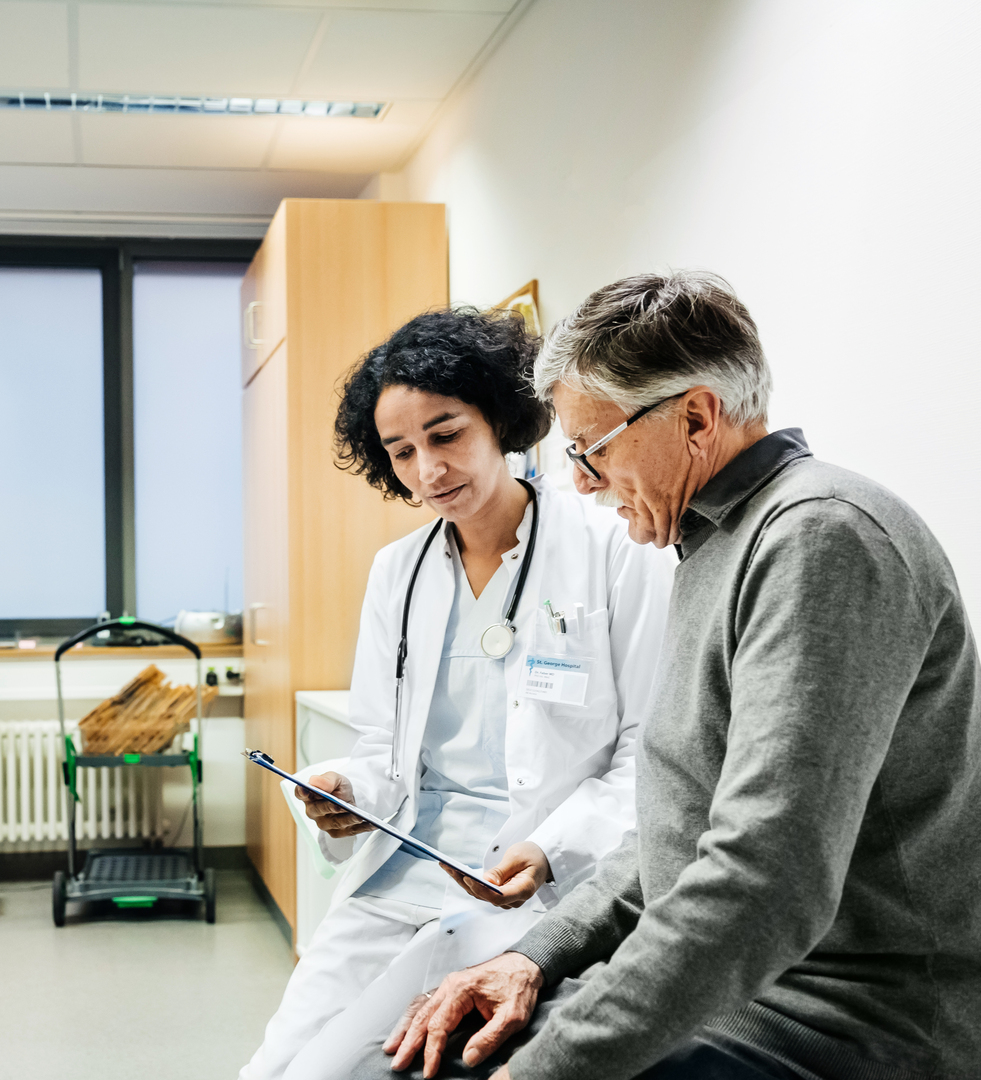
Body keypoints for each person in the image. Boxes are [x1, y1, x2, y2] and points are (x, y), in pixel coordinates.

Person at [368, 272, 981, 1080]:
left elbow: (764, 884)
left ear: (697, 417)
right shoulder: (714, 546)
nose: (581, 483)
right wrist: (538, 957)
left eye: (592, 450)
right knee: (402, 1058)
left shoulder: (822, 542)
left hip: (839, 1027)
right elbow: (679, 828)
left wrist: (548, 1065)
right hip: (735, 993)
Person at [240, 307, 675, 1080]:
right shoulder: (397, 573)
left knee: (336, 1072)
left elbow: (651, 755)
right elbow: (383, 748)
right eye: (401, 451)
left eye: (446, 435)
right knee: (273, 1066)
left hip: (524, 887)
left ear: (501, 420)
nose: (427, 472)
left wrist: (547, 848)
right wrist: (346, 787)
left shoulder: (610, 552)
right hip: (398, 873)